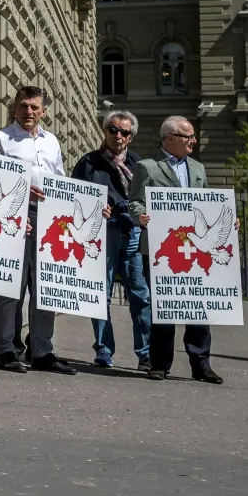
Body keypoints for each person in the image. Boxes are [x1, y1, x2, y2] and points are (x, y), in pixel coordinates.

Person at [132, 115, 223, 384]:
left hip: (195, 249)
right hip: (164, 248)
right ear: (170, 138)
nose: (193, 140)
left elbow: (207, 203)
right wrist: (142, 216)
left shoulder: (197, 169)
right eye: (188, 136)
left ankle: (201, 364)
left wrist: (225, 218)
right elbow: (134, 203)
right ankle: (159, 363)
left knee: (198, 305)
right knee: (165, 306)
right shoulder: (147, 168)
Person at [0, 85, 73, 374]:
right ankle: (5, 349)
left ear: (44, 111)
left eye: (34, 107)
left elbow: (61, 177)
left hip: (51, 217)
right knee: (10, 285)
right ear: (15, 109)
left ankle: (41, 350)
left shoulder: (52, 141)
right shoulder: (2, 138)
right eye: (23, 106)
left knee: (46, 285)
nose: (28, 112)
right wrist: (23, 193)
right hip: (16, 213)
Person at [74, 110, 150, 372]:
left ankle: (145, 353)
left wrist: (138, 214)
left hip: (133, 235)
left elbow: (148, 201)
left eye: (124, 132)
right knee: (99, 294)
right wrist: (97, 210)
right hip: (101, 235)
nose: (118, 136)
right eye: (113, 130)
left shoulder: (140, 165)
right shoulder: (88, 163)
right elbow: (74, 198)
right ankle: (104, 349)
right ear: (105, 131)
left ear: (131, 137)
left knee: (140, 295)